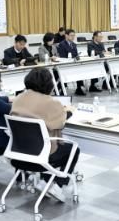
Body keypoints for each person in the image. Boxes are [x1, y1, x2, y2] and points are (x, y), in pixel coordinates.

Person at [11, 68, 80, 202]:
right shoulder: (51, 103)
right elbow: (60, 123)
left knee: (45, 142)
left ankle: (45, 182)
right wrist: (70, 111)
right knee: (73, 150)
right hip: (40, 157)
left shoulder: (18, 98)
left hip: (18, 154)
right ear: (49, 84)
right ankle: (58, 186)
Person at [56, 29, 86, 96]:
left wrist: (77, 57)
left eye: (74, 35)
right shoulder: (61, 44)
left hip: (73, 64)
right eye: (71, 35)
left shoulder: (74, 44)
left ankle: (79, 88)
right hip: (65, 65)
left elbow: (75, 55)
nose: (73, 37)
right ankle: (62, 89)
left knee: (81, 69)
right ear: (66, 35)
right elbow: (63, 57)